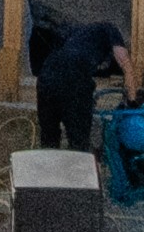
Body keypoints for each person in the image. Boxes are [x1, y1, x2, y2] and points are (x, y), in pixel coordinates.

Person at [30, 17, 128, 155]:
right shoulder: (110, 29)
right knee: (78, 143)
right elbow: (126, 65)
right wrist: (133, 101)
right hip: (73, 77)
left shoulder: (76, 35)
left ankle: (50, 171)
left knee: (49, 139)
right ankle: (80, 170)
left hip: (46, 76)